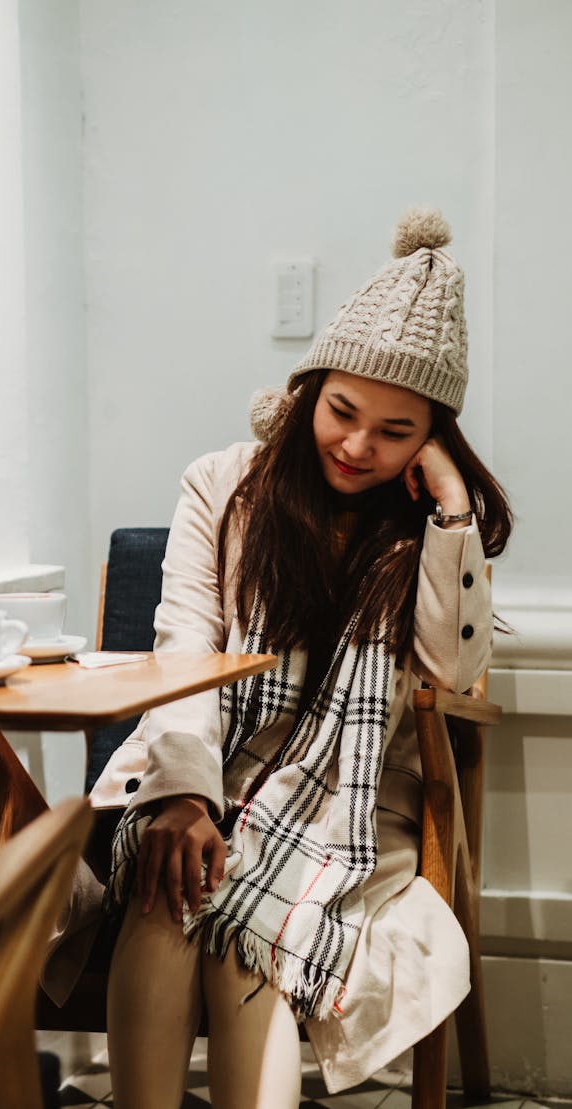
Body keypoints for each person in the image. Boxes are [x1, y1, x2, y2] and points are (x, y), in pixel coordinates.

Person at [87, 206, 512, 1108]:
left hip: (349, 810)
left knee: (255, 926)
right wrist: (188, 795)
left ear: (431, 439)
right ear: (310, 389)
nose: (358, 446)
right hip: (204, 769)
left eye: (398, 432)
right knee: (173, 892)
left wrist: (447, 507)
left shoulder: (428, 529)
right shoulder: (224, 485)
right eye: (343, 410)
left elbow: (452, 667)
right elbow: (185, 646)